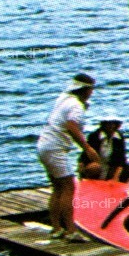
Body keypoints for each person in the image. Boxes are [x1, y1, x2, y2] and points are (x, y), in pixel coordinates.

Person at [37, 73, 99, 241]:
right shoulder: (76, 106)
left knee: (57, 188)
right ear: (86, 90)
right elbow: (71, 126)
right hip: (56, 148)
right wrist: (87, 148)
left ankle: (57, 228)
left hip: (44, 144)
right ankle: (71, 230)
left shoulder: (64, 98)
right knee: (68, 187)